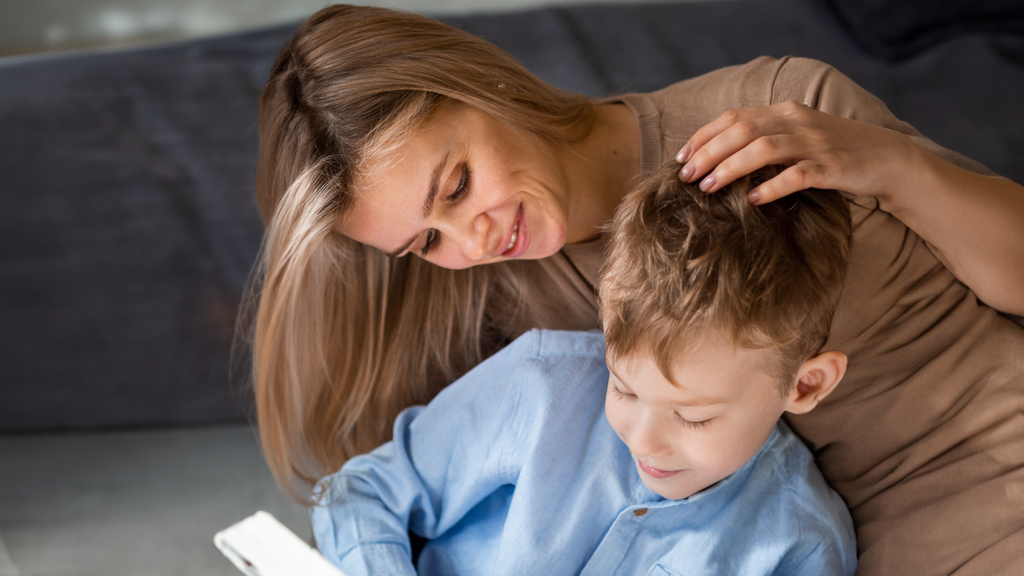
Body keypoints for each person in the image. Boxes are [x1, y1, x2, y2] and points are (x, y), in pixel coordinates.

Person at [250, 4, 1024, 574]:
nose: (473, 241)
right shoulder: (514, 307)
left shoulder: (783, 110)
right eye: (425, 242)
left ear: (481, 85)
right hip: (856, 544)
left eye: (455, 185)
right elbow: (404, 487)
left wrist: (894, 165)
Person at [311, 165, 857, 576]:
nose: (641, 441)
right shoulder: (545, 382)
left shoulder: (801, 545)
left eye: (692, 417)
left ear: (805, 384)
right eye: (622, 387)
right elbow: (363, 493)